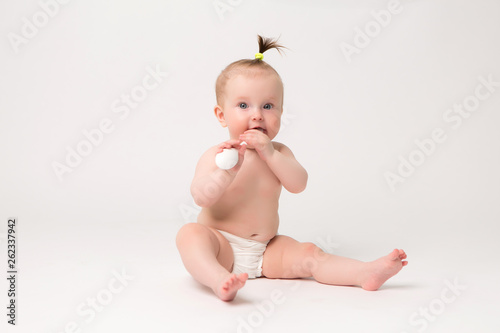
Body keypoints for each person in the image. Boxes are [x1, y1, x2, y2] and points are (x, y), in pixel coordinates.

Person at [176, 35, 408, 301]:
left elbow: (298, 184)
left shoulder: (280, 153)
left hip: (267, 250)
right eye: (243, 105)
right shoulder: (217, 156)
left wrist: (270, 154)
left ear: (281, 112)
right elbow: (201, 196)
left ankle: (364, 272)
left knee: (310, 253)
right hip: (221, 246)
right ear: (221, 115)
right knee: (190, 235)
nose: (257, 115)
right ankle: (218, 279)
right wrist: (225, 173)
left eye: (268, 106)